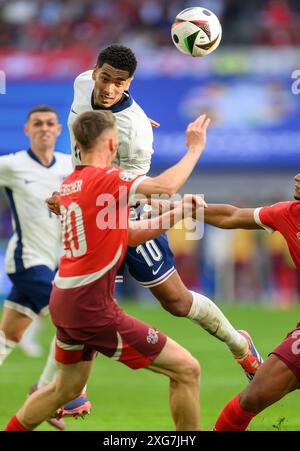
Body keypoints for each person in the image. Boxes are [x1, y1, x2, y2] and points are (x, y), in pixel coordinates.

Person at [33, 44, 263, 418]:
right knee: (77, 293)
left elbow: (151, 191)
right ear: (94, 72)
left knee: (176, 302)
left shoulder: (135, 133)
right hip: (89, 204)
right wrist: (73, 194)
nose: (109, 89)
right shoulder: (80, 84)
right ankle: (64, 391)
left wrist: (148, 127)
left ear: (130, 83)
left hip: (124, 210)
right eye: (105, 78)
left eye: (119, 83)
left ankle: (240, 346)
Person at [5, 109, 209, 431]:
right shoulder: (108, 179)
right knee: (187, 369)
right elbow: (166, 186)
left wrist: (179, 213)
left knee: (65, 389)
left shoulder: (72, 183)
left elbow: (130, 234)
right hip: (91, 307)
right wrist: (195, 148)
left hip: (65, 301)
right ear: (112, 143)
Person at [200, 174, 300, 430]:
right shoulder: (288, 214)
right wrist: (181, 209)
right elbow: (231, 216)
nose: (296, 177)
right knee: (252, 398)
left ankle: (258, 367)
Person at [0, 105, 73, 429]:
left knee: (9, 334)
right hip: (26, 262)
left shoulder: (70, 166)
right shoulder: (13, 165)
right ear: (27, 130)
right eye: (37, 124)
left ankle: (44, 389)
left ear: (59, 130)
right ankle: (45, 391)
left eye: (49, 124)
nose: (44, 128)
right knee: (74, 317)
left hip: (55, 262)